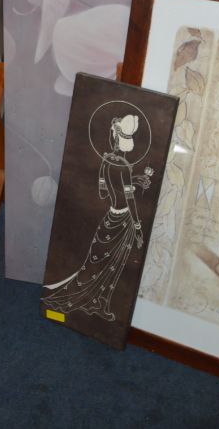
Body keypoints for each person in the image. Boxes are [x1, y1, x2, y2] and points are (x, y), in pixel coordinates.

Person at [42, 113, 153, 321]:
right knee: (113, 266)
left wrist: (133, 181)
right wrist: (138, 227)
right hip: (123, 220)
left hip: (110, 217)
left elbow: (104, 192)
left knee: (98, 265)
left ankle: (96, 304)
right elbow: (129, 199)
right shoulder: (124, 166)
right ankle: (99, 303)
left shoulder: (106, 160)